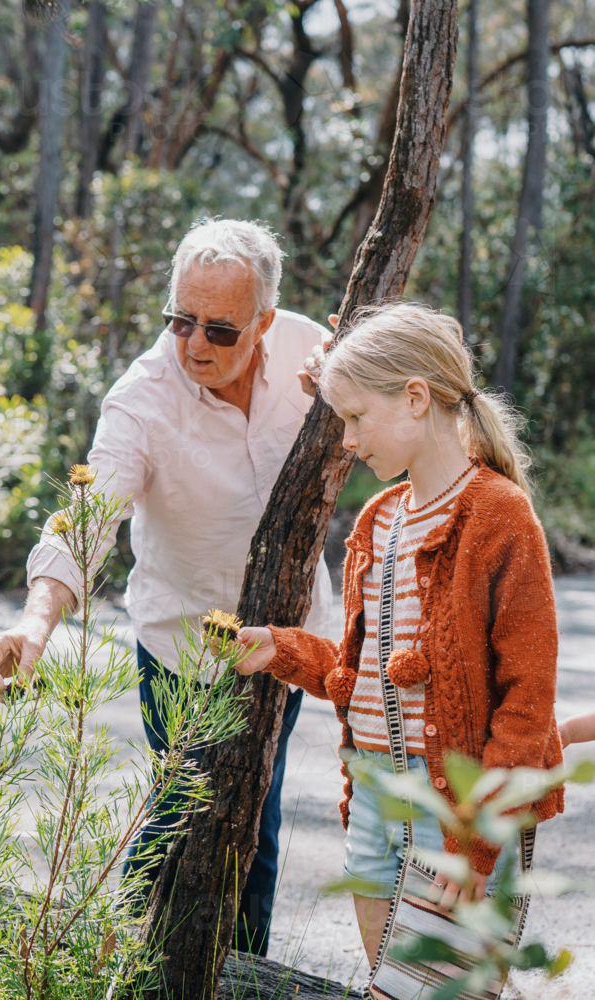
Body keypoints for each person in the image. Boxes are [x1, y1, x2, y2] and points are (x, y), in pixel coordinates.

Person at [0, 218, 333, 955]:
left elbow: (402, 395)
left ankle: (239, 974)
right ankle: (121, 965)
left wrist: (351, 379)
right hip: (184, 652)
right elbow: (85, 518)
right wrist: (35, 625)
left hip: (291, 642)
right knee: (180, 819)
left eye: (220, 330)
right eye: (180, 320)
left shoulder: (309, 348)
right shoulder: (142, 398)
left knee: (253, 827)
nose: (195, 344)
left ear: (264, 321)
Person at [232, 302, 564, 967]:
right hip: (375, 802)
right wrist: (284, 649)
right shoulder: (379, 519)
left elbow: (526, 704)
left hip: (456, 810)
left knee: (437, 987)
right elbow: (369, 674)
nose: (347, 440)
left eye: (355, 418)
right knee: (392, 986)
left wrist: (475, 841)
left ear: (415, 397)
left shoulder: (497, 515)